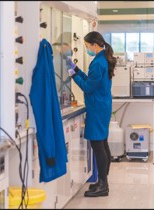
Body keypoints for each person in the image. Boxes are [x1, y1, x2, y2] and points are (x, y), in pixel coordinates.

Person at [67, 31, 116, 197]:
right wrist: (77, 70)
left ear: (94, 45)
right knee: (102, 143)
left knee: (98, 145)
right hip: (101, 106)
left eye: (87, 46)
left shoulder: (98, 63)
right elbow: (90, 80)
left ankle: (103, 184)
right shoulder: (102, 59)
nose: (87, 49)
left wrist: (73, 76)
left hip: (97, 108)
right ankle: (103, 181)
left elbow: (88, 87)